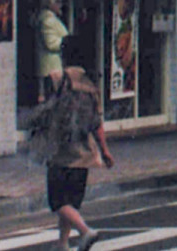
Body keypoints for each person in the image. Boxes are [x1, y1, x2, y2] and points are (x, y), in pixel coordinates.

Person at [44, 36, 113, 251]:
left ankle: (85, 231)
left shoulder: (56, 78)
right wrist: (105, 151)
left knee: (57, 201)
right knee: (70, 203)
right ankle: (62, 244)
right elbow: (97, 123)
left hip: (60, 151)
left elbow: (45, 110)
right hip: (85, 154)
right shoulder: (90, 84)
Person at [37, 0, 69, 102]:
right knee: (53, 101)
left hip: (54, 67)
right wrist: (66, 42)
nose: (60, 5)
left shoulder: (51, 19)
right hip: (51, 68)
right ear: (50, 3)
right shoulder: (48, 20)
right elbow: (50, 43)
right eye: (57, 2)